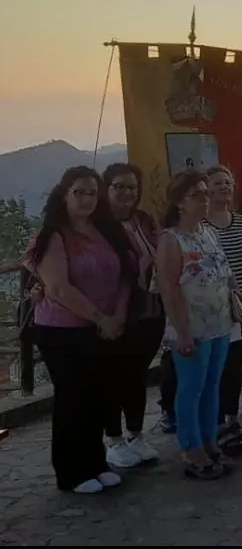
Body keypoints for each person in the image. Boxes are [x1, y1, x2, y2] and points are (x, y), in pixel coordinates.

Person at [29, 166, 135, 493]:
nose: (87, 199)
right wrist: (100, 318)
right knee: (72, 399)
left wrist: (117, 314)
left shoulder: (106, 230)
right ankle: (71, 472)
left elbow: (124, 274)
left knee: (98, 396)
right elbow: (59, 289)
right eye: (79, 192)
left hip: (103, 328)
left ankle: (95, 462)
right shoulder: (52, 237)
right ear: (64, 194)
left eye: (92, 193)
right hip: (62, 331)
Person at [156, 170, 241, 480]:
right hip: (191, 326)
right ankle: (190, 447)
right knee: (191, 388)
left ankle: (208, 440)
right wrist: (182, 331)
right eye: (197, 195)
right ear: (180, 202)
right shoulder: (171, 240)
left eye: (206, 193)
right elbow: (169, 288)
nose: (205, 199)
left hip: (219, 322)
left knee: (211, 387)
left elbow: (224, 272)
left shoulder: (207, 233)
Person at [99, 163, 164, 468]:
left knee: (137, 375)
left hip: (150, 310)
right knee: (113, 375)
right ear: (106, 189)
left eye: (132, 187)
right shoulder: (96, 226)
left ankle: (136, 434)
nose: (126, 193)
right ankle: (113, 439)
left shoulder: (144, 220)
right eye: (119, 186)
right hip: (113, 311)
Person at [203, 166, 242, 456]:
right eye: (217, 183)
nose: (224, 187)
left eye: (228, 182)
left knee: (233, 366)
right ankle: (213, 424)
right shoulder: (200, 227)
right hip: (213, 309)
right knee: (215, 368)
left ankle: (231, 418)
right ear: (206, 190)